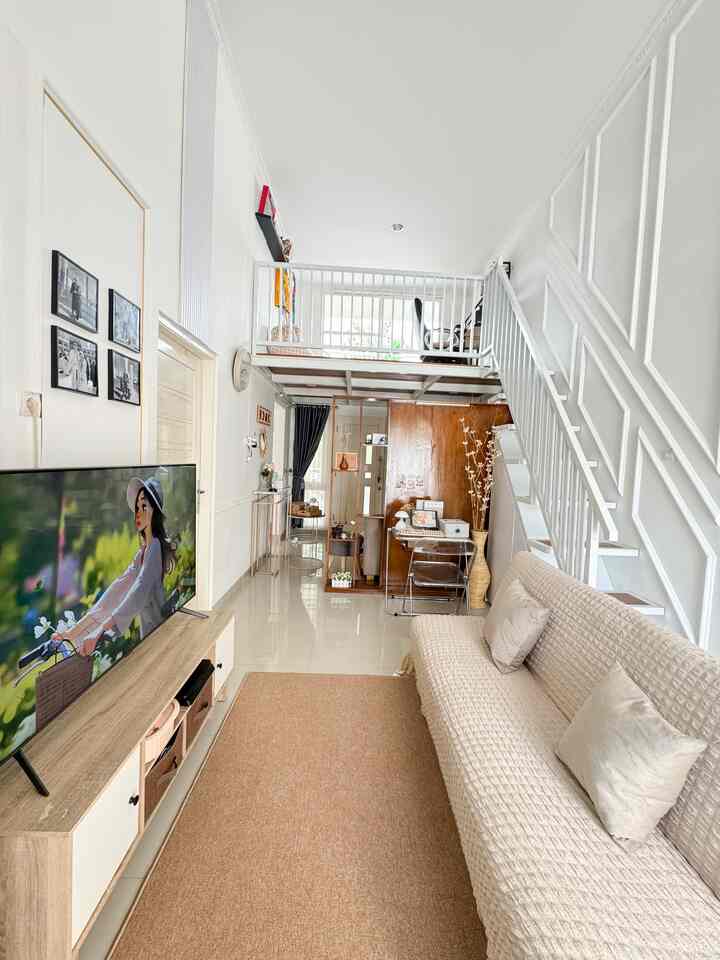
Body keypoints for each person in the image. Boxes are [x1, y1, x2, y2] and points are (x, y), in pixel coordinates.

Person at [52, 477, 176, 656]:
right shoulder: (143, 553)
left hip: (160, 645)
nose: (138, 513)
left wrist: (100, 630)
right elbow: (115, 592)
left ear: (154, 512)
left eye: (144, 506)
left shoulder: (155, 547)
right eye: (136, 508)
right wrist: (72, 633)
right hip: (151, 641)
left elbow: (137, 593)